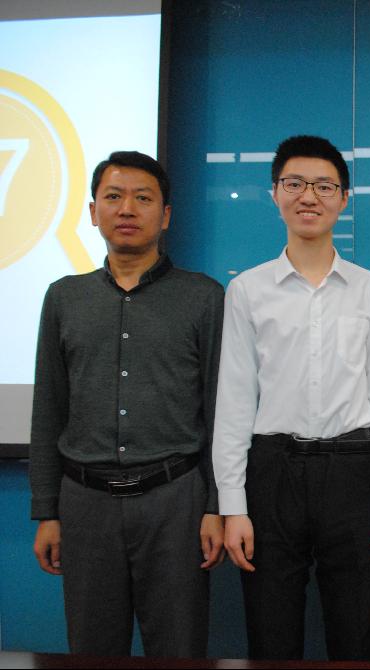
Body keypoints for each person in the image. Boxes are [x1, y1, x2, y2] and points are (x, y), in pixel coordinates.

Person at [212, 135, 370, 661]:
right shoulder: (248, 290)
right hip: (273, 471)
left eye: (324, 186)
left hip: (354, 471)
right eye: (294, 183)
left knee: (357, 633)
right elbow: (235, 400)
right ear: (274, 193)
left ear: (343, 198)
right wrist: (233, 505)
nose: (308, 196)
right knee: (270, 633)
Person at [29, 151, 225, 657]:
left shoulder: (204, 298)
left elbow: (219, 409)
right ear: (93, 212)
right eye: (113, 197)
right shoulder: (64, 298)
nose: (127, 209)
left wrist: (215, 507)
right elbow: (49, 409)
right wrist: (47, 511)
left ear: (166, 215)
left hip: (175, 500)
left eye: (143, 198)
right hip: (84, 502)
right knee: (92, 650)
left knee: (179, 649)